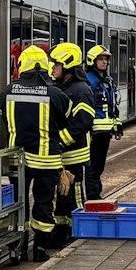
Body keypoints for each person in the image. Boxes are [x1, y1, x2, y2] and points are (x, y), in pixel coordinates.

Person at [3, 46, 67, 261]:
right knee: (44, 203)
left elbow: (5, 119)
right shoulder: (56, 94)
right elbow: (64, 121)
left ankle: (18, 248)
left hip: (18, 160)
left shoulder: (7, 91)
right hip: (46, 160)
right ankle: (39, 249)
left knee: (18, 203)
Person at [47, 42, 97, 248]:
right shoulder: (62, 87)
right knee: (61, 197)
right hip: (62, 155)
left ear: (67, 65)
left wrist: (61, 140)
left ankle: (77, 235)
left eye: (56, 64)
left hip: (74, 155)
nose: (52, 68)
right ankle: (61, 234)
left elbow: (83, 122)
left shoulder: (80, 90)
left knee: (73, 198)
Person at [83, 45, 121, 200]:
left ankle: (95, 194)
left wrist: (117, 125)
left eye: (105, 59)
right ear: (92, 61)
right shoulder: (88, 81)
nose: (104, 62)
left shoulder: (108, 80)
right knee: (92, 167)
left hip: (105, 132)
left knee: (99, 166)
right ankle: (93, 196)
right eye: (100, 59)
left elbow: (113, 105)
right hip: (94, 133)